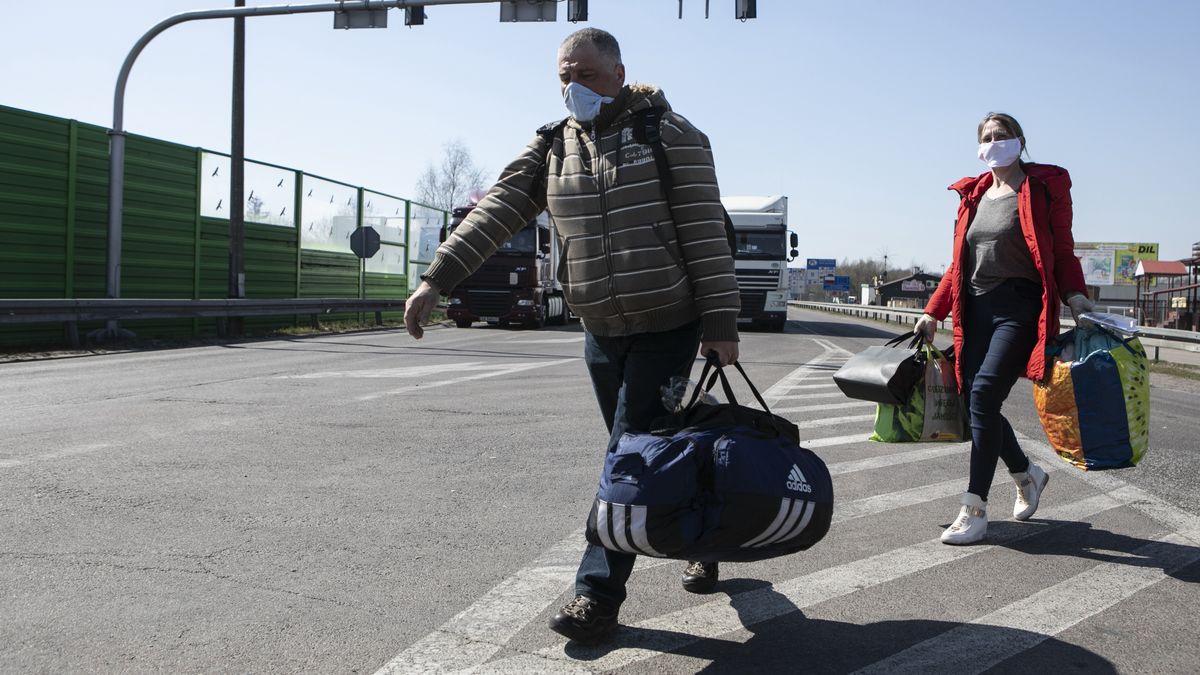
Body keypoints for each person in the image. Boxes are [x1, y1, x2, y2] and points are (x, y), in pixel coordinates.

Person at [403, 28, 740, 642]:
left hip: (667, 320)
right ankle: (704, 534)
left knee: (627, 457)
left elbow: (704, 233)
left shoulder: (671, 135)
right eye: (565, 76)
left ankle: (597, 596)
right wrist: (436, 279)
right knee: (647, 449)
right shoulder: (553, 146)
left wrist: (720, 324)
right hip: (600, 329)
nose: (573, 87)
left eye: (585, 74)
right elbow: (495, 210)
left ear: (618, 73)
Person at [916, 112, 1093, 546]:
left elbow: (1062, 250)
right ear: (980, 147)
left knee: (982, 396)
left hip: (1019, 308)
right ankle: (1026, 473)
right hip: (975, 310)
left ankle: (974, 508)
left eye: (1003, 135)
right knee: (977, 403)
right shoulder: (974, 195)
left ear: (1020, 140)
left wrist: (1075, 295)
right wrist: (933, 312)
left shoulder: (1043, 189)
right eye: (988, 137)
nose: (995, 142)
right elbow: (958, 266)